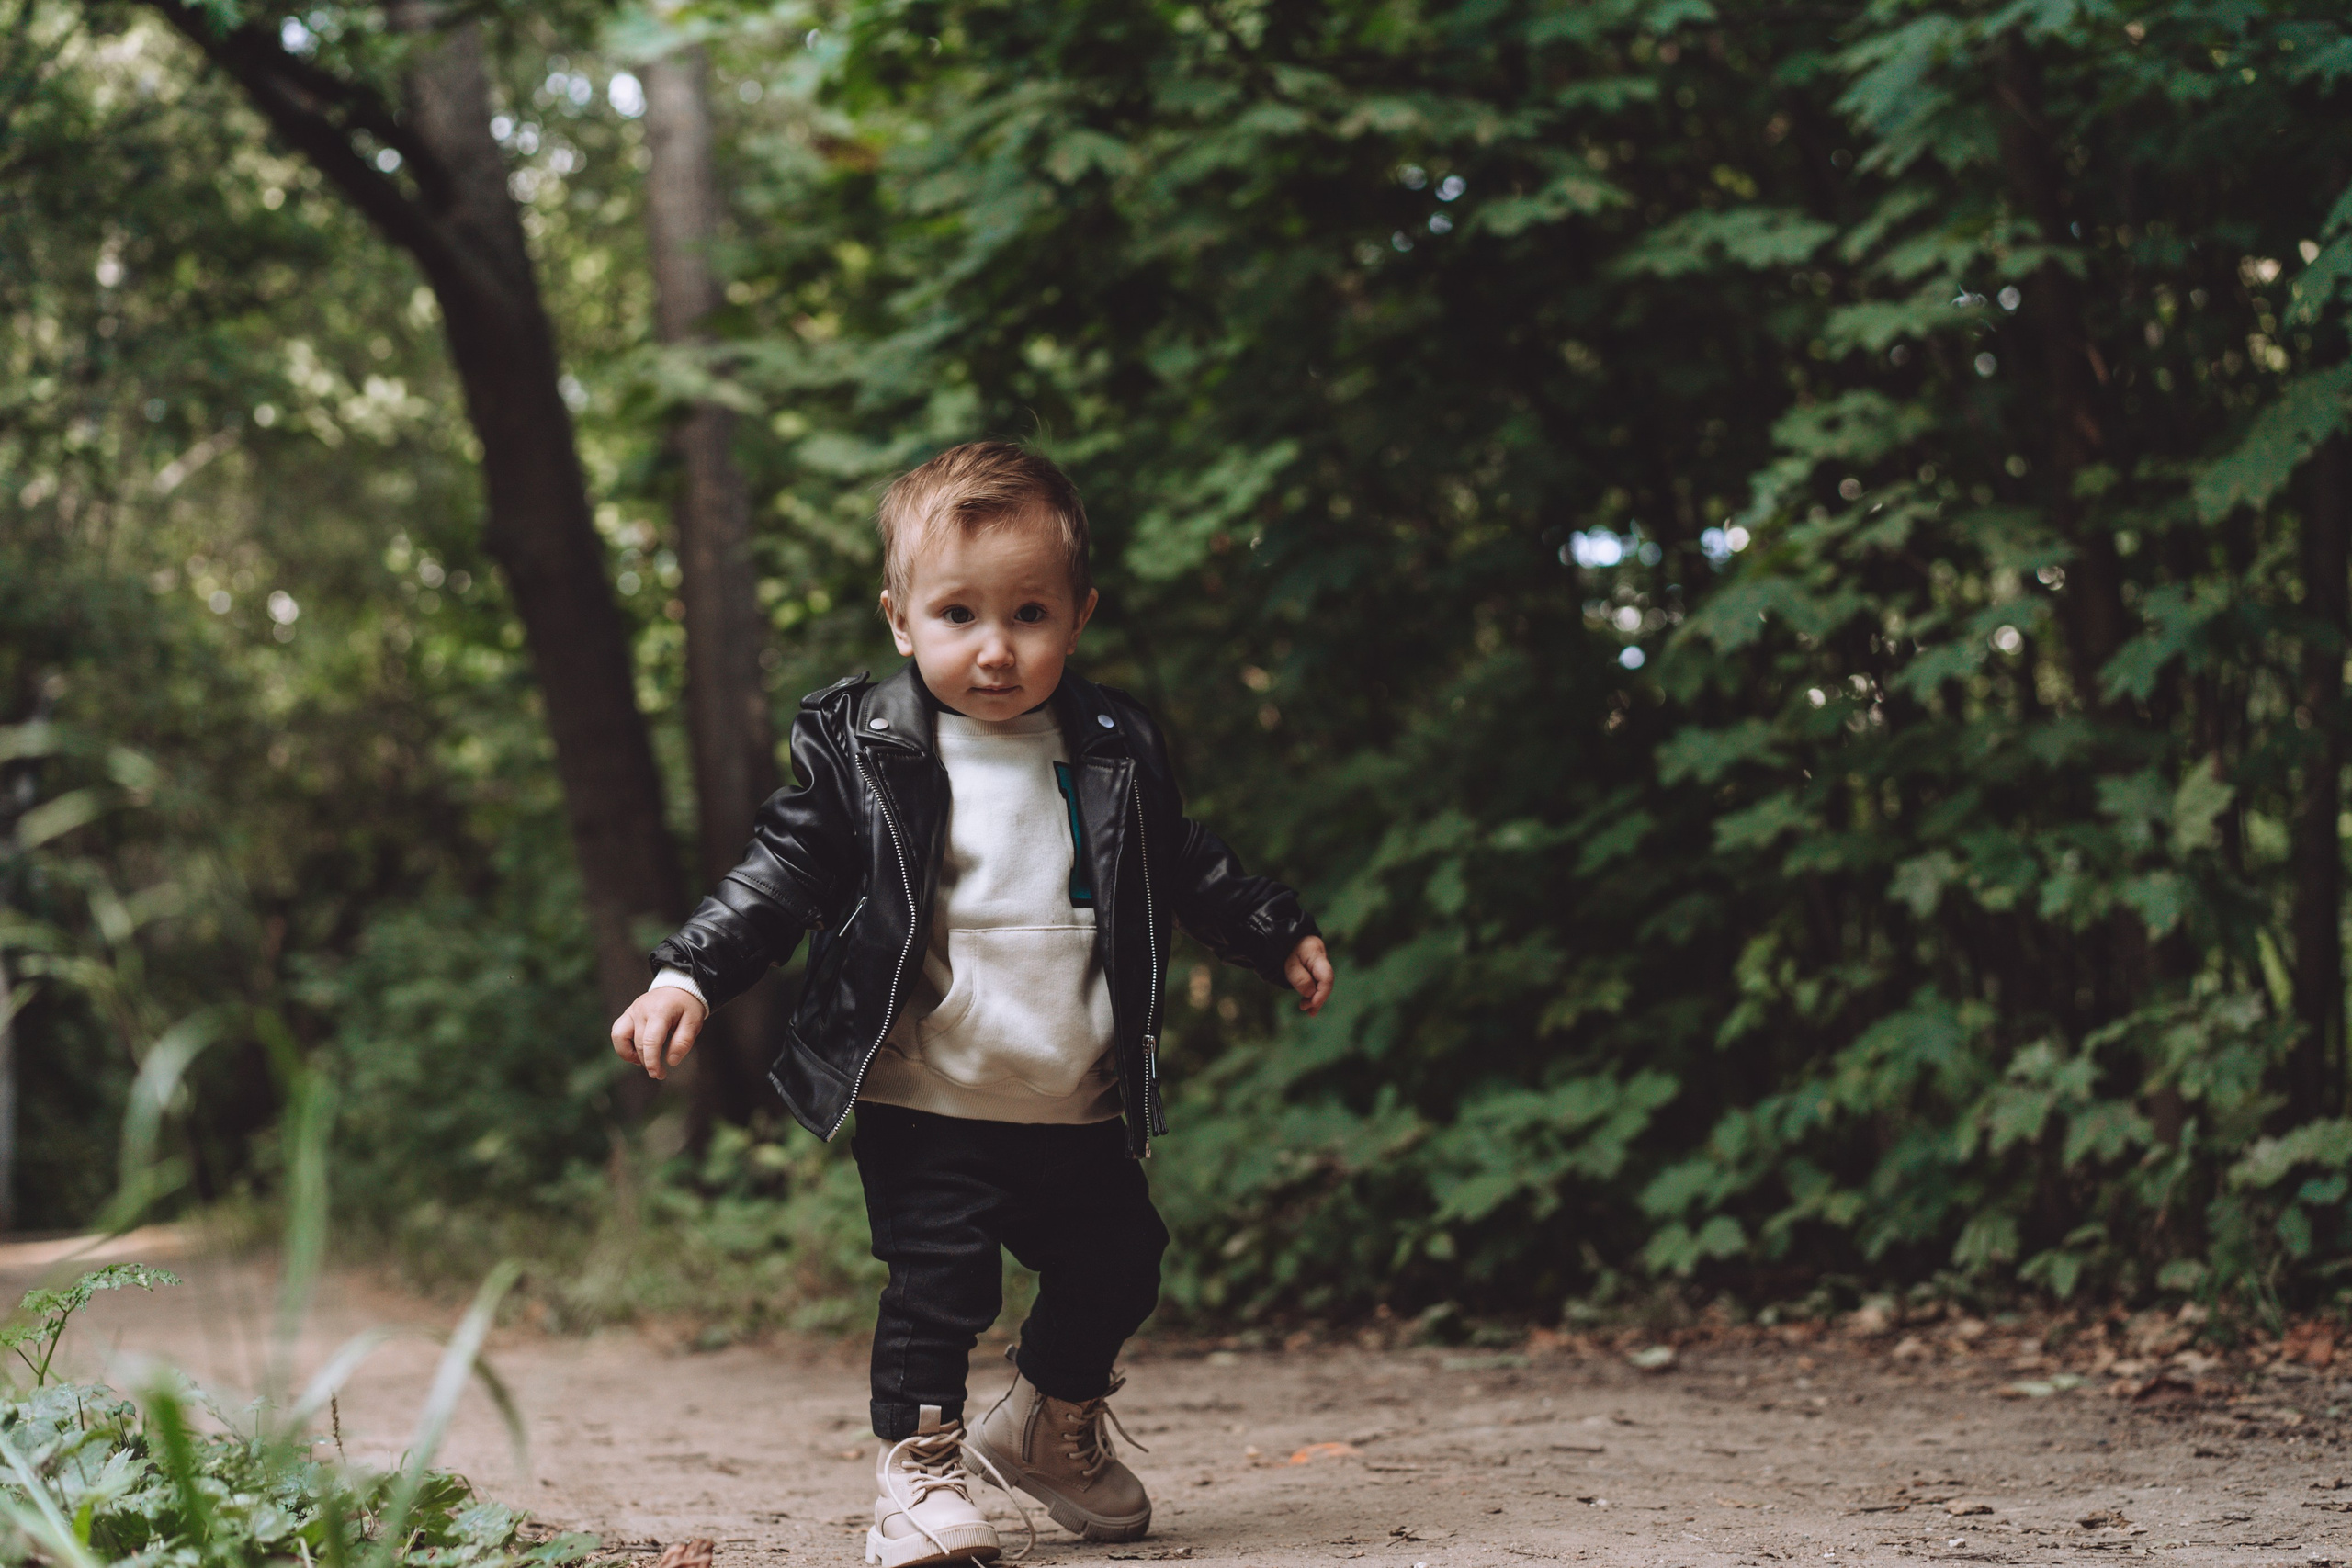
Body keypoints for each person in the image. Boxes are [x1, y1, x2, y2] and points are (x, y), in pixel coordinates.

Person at [607, 442, 1335, 1568]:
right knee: (938, 1288)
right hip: (927, 1092)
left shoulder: (1111, 748)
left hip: (1072, 1093)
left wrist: (1271, 927)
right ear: (901, 619)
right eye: (958, 614)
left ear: (1078, 617)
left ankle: (1045, 1429)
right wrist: (687, 971)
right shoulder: (869, 750)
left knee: (1120, 1260)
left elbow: (1183, 862)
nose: (995, 649)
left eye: (1029, 614)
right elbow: (780, 874)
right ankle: (916, 1477)